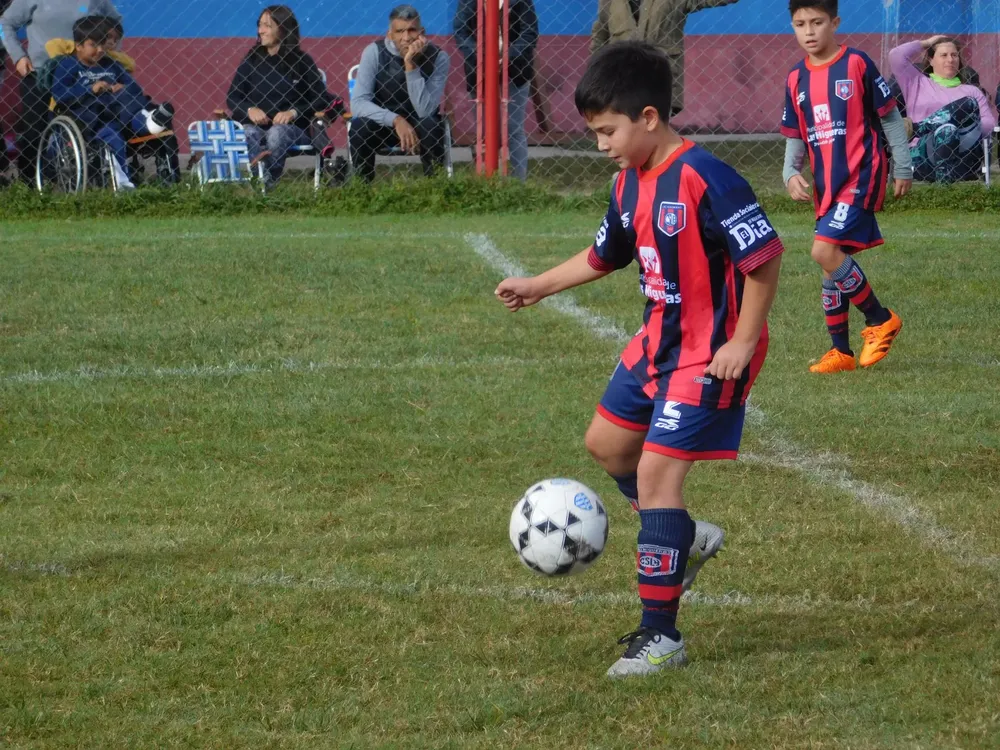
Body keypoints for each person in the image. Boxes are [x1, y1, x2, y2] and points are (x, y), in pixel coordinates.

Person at [495, 41, 784, 678]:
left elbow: (763, 259)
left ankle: (661, 636)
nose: (600, 144)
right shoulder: (627, 183)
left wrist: (741, 342)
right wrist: (538, 285)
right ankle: (681, 533)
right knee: (607, 446)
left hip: (710, 355)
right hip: (656, 343)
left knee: (655, 477)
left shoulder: (707, 176)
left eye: (607, 131)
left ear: (649, 117)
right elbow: (605, 255)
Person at [780, 0, 912, 374]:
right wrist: (790, 172)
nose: (809, 31)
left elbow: (889, 117)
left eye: (817, 22)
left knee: (823, 251)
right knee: (832, 263)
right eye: (800, 23)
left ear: (834, 22)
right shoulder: (795, 78)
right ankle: (841, 352)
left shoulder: (856, 64)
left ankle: (880, 318)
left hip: (861, 173)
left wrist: (903, 164)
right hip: (826, 184)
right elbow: (795, 133)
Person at [0, 0, 120, 183]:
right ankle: (29, 183)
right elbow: (4, 24)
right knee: (35, 132)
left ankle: (92, 179)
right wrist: (18, 56)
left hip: (83, 75)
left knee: (93, 126)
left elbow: (115, 23)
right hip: (41, 75)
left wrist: (108, 54)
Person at [50, 16, 174, 189]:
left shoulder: (111, 65)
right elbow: (60, 94)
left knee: (124, 100)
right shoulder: (68, 65)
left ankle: (147, 123)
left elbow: (135, 89)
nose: (100, 50)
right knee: (115, 120)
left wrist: (118, 87)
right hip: (87, 117)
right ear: (78, 46)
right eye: (93, 45)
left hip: (115, 117)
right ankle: (147, 123)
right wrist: (90, 90)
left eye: (102, 44)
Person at [227, 6, 335, 185]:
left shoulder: (301, 61)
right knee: (246, 133)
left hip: (293, 129)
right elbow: (233, 96)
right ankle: (261, 181)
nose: (260, 30)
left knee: (276, 133)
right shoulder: (251, 60)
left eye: (267, 26)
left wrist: (293, 112)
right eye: (260, 25)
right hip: (256, 127)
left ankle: (267, 183)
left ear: (283, 28)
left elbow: (321, 98)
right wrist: (249, 109)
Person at [349, 4, 450, 182]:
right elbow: (357, 104)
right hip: (383, 124)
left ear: (422, 32)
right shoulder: (374, 52)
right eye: (399, 31)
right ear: (390, 34)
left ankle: (437, 188)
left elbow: (426, 111)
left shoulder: (438, 57)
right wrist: (395, 119)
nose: (406, 38)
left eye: (412, 30)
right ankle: (361, 189)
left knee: (431, 124)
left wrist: (410, 65)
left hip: (420, 125)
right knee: (359, 128)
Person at [589, 0, 740, 116]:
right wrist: (595, 73)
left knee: (653, 134)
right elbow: (602, 31)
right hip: (620, 80)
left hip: (659, 79)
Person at [889, 35, 997, 184]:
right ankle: (944, 187)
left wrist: (960, 125)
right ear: (931, 60)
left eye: (954, 55)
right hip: (923, 155)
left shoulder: (971, 91)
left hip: (962, 154)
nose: (950, 59)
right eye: (943, 55)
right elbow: (896, 56)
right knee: (947, 129)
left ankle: (916, 128)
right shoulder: (916, 82)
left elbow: (989, 125)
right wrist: (926, 43)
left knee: (966, 107)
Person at [454, 0, 538, 180]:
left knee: (514, 128)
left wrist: (506, 57)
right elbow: (461, 33)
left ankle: (518, 183)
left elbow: (529, 33)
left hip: (516, 71)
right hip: (480, 71)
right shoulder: (468, 1)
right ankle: (487, 180)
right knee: (484, 129)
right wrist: (484, 57)